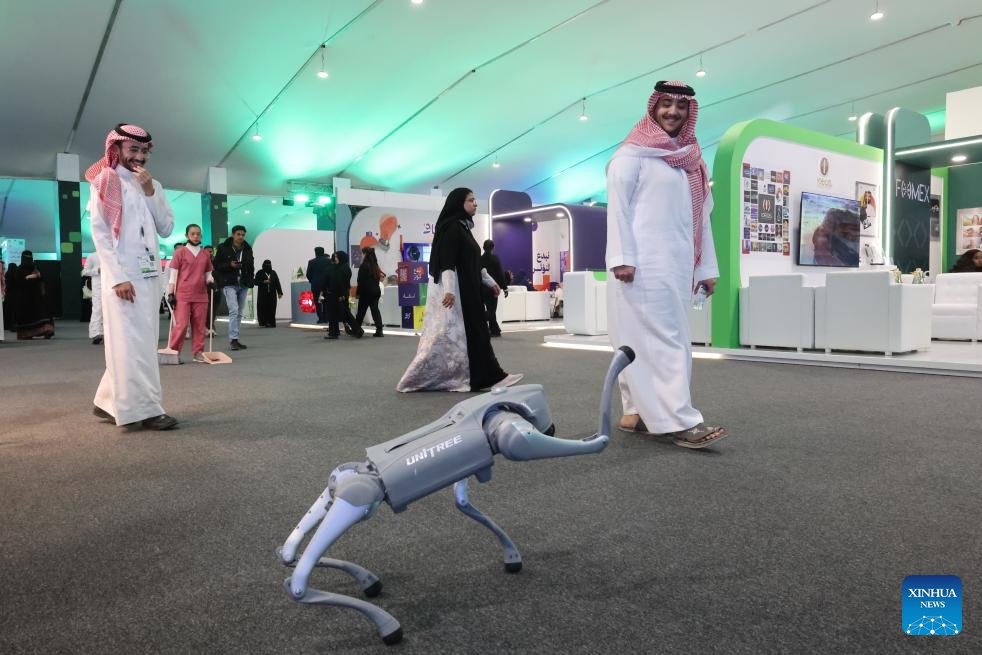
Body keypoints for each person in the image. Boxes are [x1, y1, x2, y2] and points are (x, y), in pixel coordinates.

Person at [606, 81, 726, 449]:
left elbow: (701, 219)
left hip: (675, 266)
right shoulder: (631, 156)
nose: (673, 112)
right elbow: (618, 209)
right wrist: (622, 257)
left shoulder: (691, 161)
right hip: (642, 265)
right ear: (653, 107)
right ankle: (679, 419)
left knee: (644, 341)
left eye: (681, 106)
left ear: (690, 113)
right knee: (667, 341)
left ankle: (636, 412)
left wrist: (706, 270)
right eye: (666, 104)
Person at [86, 123, 177, 430]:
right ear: (118, 149)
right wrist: (117, 278)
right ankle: (146, 410)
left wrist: (150, 192)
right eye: (132, 150)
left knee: (140, 342)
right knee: (131, 344)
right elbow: (101, 235)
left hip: (150, 275)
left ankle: (108, 400)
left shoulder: (153, 185)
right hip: (123, 278)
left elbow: (166, 228)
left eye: (143, 151)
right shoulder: (106, 180)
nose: (138, 156)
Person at [397, 188, 522, 392]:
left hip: (470, 290)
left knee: (479, 333)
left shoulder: (463, 228)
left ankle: (489, 376)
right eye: (471, 200)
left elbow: (473, 262)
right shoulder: (451, 228)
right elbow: (448, 262)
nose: (475, 204)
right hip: (460, 292)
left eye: (475, 200)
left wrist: (490, 282)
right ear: (459, 203)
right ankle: (422, 378)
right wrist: (449, 290)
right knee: (460, 335)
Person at [166, 224, 214, 362]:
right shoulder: (179, 253)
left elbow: (208, 274)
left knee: (199, 326)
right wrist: (170, 294)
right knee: (181, 325)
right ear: (187, 235)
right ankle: (173, 352)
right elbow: (173, 276)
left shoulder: (205, 254)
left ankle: (198, 353)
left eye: (198, 234)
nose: (195, 236)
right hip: (183, 294)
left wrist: (211, 281)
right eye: (192, 233)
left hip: (201, 295)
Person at [213, 225, 254, 350]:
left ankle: (235, 339)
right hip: (229, 283)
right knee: (234, 310)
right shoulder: (223, 248)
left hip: (243, 283)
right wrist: (229, 265)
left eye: (243, 234)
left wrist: (250, 279)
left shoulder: (247, 248)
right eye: (238, 234)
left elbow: (251, 265)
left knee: (239, 313)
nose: (241, 237)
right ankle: (233, 340)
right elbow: (217, 265)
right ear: (233, 234)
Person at [14, 251, 55, 340]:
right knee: (30, 314)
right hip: (26, 297)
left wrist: (35, 276)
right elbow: (18, 282)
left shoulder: (34, 267)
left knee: (42, 313)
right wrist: (29, 277)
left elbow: (41, 278)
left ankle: (46, 331)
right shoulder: (19, 270)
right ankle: (27, 334)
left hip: (36, 296)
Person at [324, 250, 362, 339]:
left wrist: (340, 295)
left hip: (337, 293)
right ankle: (357, 330)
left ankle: (334, 333)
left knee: (335, 313)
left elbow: (339, 282)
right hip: (342, 292)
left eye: (337, 257)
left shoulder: (340, 269)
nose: (335, 259)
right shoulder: (345, 267)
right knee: (345, 313)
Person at [354, 246, 385, 337]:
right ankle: (379, 330)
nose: (361, 255)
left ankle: (357, 329)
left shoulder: (364, 266)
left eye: (362, 253)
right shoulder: (375, 265)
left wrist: (358, 293)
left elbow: (360, 281)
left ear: (366, 254)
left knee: (361, 311)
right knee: (375, 310)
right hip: (376, 291)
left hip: (366, 292)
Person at [480, 239, 507, 337]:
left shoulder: (479, 259)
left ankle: (493, 330)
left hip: (481, 289)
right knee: (491, 310)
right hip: (493, 289)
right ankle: (483, 323)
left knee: (485, 309)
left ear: (483, 248)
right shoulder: (495, 259)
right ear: (493, 248)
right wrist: (505, 287)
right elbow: (500, 274)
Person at [305, 246, 332, 324]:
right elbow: (330, 272)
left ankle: (320, 318)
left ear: (315, 252)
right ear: (323, 252)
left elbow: (308, 274)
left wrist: (312, 280)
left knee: (317, 302)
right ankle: (326, 318)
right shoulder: (328, 261)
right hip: (326, 285)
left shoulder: (311, 262)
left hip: (315, 285)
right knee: (326, 302)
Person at [82, 251, 104, 344]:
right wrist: (97, 270)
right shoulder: (92, 256)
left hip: (112, 286)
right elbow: (85, 272)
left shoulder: (113, 254)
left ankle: (107, 334)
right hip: (98, 287)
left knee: (111, 311)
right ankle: (95, 334)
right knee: (97, 309)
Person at [254, 259, 283, 327]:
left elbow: (277, 283)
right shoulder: (260, 272)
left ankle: (271, 322)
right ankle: (264, 322)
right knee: (263, 308)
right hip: (262, 295)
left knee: (272, 307)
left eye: (269, 265)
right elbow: (255, 282)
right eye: (266, 265)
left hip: (272, 294)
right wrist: (263, 282)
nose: (268, 266)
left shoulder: (273, 273)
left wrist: (280, 292)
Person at [202, 244, 219, 336]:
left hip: (216, 288)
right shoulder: (201, 261)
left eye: (211, 251)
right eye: (207, 251)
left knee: (214, 309)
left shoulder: (217, 261)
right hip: (205, 289)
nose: (209, 253)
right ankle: (209, 328)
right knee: (208, 309)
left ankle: (210, 326)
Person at [3, 262, 18, 333]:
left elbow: (7, 285)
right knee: (14, 311)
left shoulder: (7, 274)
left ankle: (7, 325)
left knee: (8, 311)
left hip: (8, 296)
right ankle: (14, 325)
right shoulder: (16, 274)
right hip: (16, 296)